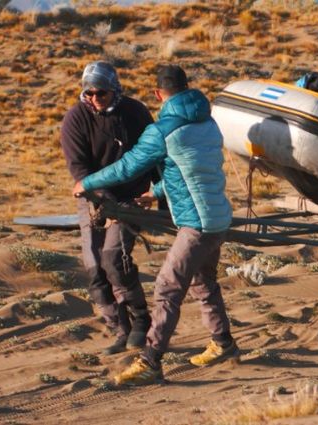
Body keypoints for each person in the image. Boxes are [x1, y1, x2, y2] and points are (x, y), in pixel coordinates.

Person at [73, 64, 237, 385]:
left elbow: (128, 167)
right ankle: (223, 343)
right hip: (218, 218)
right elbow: (193, 168)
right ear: (187, 88)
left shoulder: (162, 130)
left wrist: (86, 182)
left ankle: (150, 360)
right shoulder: (207, 122)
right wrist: (156, 192)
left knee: (167, 287)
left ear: (158, 94)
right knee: (204, 283)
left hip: (197, 224)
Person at [60, 61, 154, 355]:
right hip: (93, 197)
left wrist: (158, 194)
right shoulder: (75, 119)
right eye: (89, 93)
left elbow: (155, 155)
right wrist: (101, 198)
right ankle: (119, 330)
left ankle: (141, 322)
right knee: (94, 267)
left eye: (100, 93)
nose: (94, 98)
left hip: (132, 198)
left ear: (115, 90)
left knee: (114, 258)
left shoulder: (135, 112)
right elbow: (79, 168)